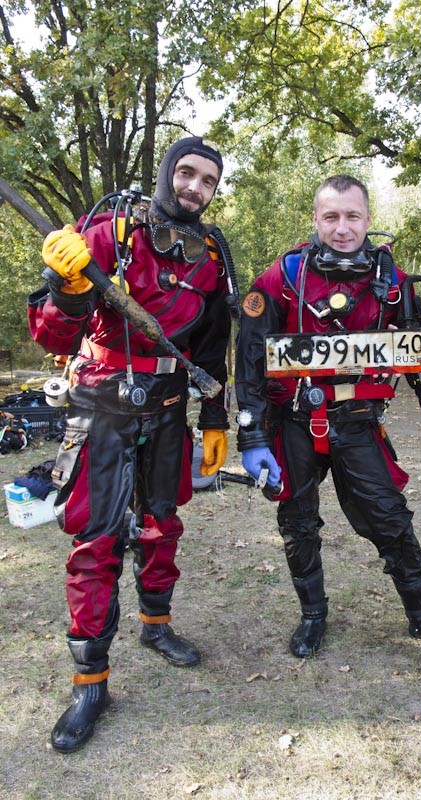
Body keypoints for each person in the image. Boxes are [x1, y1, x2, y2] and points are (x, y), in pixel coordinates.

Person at [28, 136, 233, 752]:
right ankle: (90, 681)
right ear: (167, 172)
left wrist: (217, 416)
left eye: (208, 181)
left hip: (170, 409)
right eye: (187, 173)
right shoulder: (110, 234)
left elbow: (213, 342)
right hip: (102, 406)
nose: (195, 188)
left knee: (162, 522)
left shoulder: (212, 254)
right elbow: (50, 332)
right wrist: (65, 288)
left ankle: (156, 624)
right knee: (97, 539)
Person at [234, 174, 421, 663]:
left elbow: (414, 346)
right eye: (331, 217)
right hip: (295, 421)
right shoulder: (281, 278)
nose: (342, 228)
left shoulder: (393, 283)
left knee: (391, 520)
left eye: (352, 216)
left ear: (367, 219)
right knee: (297, 523)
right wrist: (252, 435)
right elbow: (250, 360)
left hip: (359, 421)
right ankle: (313, 616)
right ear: (316, 220)